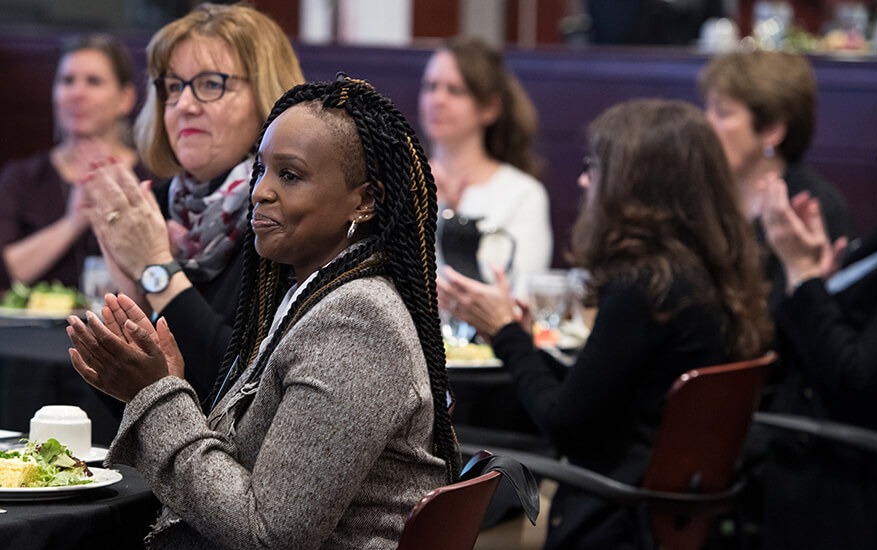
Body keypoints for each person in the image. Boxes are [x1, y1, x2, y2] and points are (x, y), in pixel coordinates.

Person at [66, 75, 460, 548]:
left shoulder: (357, 322)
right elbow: (241, 467)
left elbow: (269, 535)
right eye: (262, 170)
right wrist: (168, 386)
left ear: (365, 199)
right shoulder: (312, 296)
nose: (260, 191)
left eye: (289, 176)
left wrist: (156, 397)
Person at [438, 99, 773, 548]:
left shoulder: (644, 289)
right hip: (666, 510)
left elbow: (564, 424)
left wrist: (507, 334)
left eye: (595, 167)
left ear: (636, 186)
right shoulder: (704, 275)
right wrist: (512, 338)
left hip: (611, 513)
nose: (582, 180)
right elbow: (595, 394)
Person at [80, 2, 304, 402]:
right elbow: (130, 405)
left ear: (269, 97)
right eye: (174, 87)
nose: (184, 105)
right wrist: (129, 302)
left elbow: (245, 389)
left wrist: (156, 270)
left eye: (211, 84)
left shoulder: (284, 212)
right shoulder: (155, 203)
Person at [758, 175, 877, 549]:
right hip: (804, 450)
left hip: (846, 480)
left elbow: (858, 382)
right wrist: (813, 278)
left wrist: (804, 275)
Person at [699, 49, 853, 311]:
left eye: (723, 113)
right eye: (708, 109)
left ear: (771, 131)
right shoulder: (700, 190)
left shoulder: (815, 205)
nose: (705, 123)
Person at [0, 33, 142, 290]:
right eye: (67, 81)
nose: (77, 93)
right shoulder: (22, 177)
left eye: (93, 82)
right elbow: (6, 272)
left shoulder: (151, 177)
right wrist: (73, 223)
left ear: (125, 99)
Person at [419, 36, 552, 299]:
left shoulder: (523, 194)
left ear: (489, 108)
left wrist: (455, 218)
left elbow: (516, 295)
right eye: (430, 87)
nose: (437, 100)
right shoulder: (403, 180)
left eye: (455, 91)